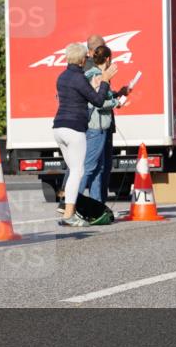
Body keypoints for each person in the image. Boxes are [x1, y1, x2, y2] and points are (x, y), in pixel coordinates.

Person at [53, 42, 117, 226]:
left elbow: (80, 95)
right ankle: (68, 214)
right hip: (74, 129)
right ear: (82, 60)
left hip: (58, 127)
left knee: (74, 170)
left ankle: (68, 210)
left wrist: (95, 85)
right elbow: (97, 101)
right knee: (78, 171)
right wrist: (104, 80)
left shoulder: (62, 77)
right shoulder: (79, 77)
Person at [80, 45, 129, 202]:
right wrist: (116, 102)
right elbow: (97, 102)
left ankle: (96, 204)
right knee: (90, 167)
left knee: (98, 168)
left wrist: (117, 94)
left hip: (98, 127)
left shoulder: (94, 75)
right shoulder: (97, 76)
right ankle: (71, 202)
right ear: (108, 59)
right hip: (96, 127)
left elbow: (100, 97)